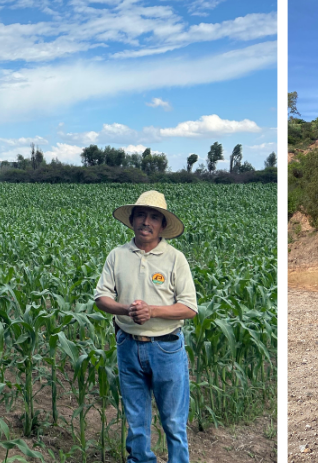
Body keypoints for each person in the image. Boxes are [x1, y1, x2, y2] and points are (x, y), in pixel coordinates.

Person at [94, 190, 198, 463]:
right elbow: (101, 298)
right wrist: (125, 309)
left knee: (174, 422)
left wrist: (152, 311)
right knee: (136, 422)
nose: (146, 222)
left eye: (154, 217)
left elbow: (189, 308)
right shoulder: (117, 255)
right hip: (128, 346)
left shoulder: (175, 259)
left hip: (167, 349)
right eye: (141, 215)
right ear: (132, 220)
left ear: (162, 225)